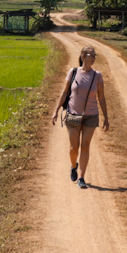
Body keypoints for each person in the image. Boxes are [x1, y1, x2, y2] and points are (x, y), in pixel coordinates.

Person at [51, 45, 109, 188]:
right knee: (73, 147)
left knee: (85, 146)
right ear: (83, 56)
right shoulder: (73, 72)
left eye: (95, 55)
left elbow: (101, 98)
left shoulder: (97, 76)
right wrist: (56, 110)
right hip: (73, 114)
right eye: (91, 55)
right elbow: (65, 93)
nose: (94, 58)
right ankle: (73, 166)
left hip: (91, 116)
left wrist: (106, 118)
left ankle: (81, 177)